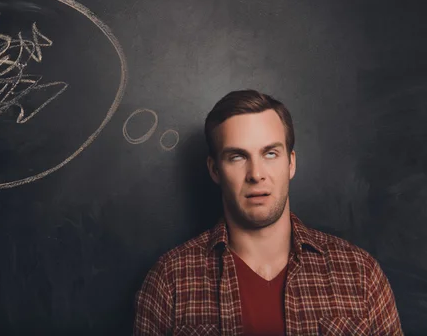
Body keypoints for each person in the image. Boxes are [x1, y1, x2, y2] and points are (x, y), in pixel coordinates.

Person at [133, 89, 403, 335]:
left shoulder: (360, 274)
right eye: (237, 157)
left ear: (291, 163)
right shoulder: (170, 280)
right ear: (215, 170)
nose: (256, 174)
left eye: (270, 154)